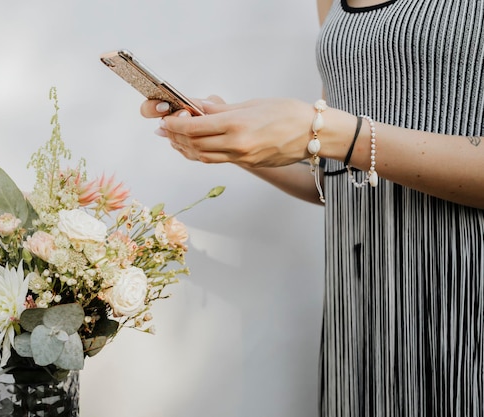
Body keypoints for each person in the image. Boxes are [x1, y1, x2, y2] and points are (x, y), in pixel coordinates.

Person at [140, 0, 484, 416]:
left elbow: (343, 139)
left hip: (467, 295)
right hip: (363, 308)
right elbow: (336, 177)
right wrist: (239, 145)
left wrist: (323, 131)